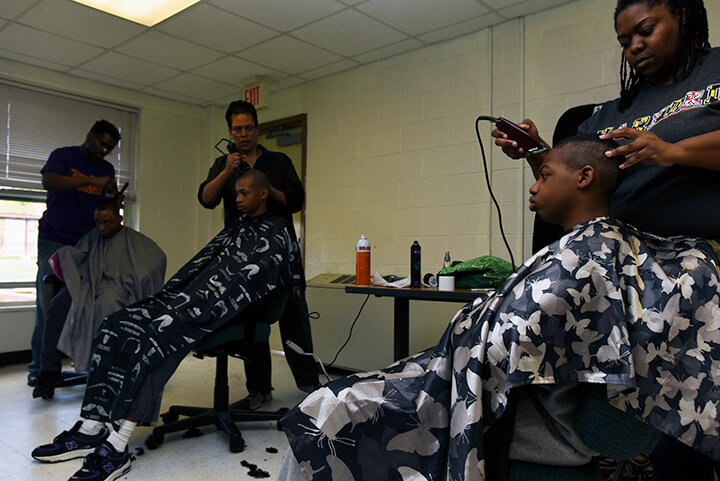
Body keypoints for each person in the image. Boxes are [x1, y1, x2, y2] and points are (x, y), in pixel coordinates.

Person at [278, 135, 720, 480]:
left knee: (329, 405)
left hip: (507, 407)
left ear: (584, 177)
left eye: (544, 174)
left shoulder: (592, 252)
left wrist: (470, 323)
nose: (534, 183)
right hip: (480, 381)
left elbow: (507, 341)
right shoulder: (589, 246)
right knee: (341, 398)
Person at [492, 1, 720, 478]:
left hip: (691, 260)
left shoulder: (717, 71)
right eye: (624, 41)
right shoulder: (613, 111)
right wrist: (539, 155)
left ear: (683, 18)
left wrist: (673, 151)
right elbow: (577, 180)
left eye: (645, 31)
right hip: (617, 261)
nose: (634, 47)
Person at [31, 170, 305, 481]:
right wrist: (181, 297)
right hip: (195, 301)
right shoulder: (237, 228)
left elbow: (255, 282)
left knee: (157, 334)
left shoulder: (278, 230)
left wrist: (201, 303)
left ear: (264, 193)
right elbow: (204, 268)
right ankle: (92, 426)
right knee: (117, 323)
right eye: (236, 193)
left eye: (244, 193)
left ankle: (118, 446)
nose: (238, 199)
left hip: (231, 311)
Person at [198, 100, 320, 407]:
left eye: (248, 127)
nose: (243, 133)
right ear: (229, 131)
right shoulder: (222, 164)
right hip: (243, 259)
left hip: (281, 255)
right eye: (236, 129)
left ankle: (310, 384)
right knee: (252, 321)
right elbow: (206, 199)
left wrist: (266, 187)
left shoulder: (278, 162)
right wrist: (227, 171)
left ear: (257, 128)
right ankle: (259, 389)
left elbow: (295, 200)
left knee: (295, 317)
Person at [32, 199, 166, 400]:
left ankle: (107, 373)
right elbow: (78, 260)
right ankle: (49, 373)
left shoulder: (135, 242)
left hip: (118, 289)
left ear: (120, 218)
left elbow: (156, 261)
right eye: (98, 223)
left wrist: (131, 280)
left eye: (107, 222)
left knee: (110, 304)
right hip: (86, 286)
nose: (102, 227)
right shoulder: (91, 237)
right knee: (57, 305)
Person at [29, 120, 123, 386]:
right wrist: (91, 180)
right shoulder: (63, 156)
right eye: (101, 144)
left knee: (81, 302)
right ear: (89, 136)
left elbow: (104, 204)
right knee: (47, 303)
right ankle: (40, 368)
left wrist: (112, 201)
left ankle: (82, 360)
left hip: (86, 243)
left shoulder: (107, 168)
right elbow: (50, 182)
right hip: (54, 239)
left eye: (110, 148)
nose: (104, 151)